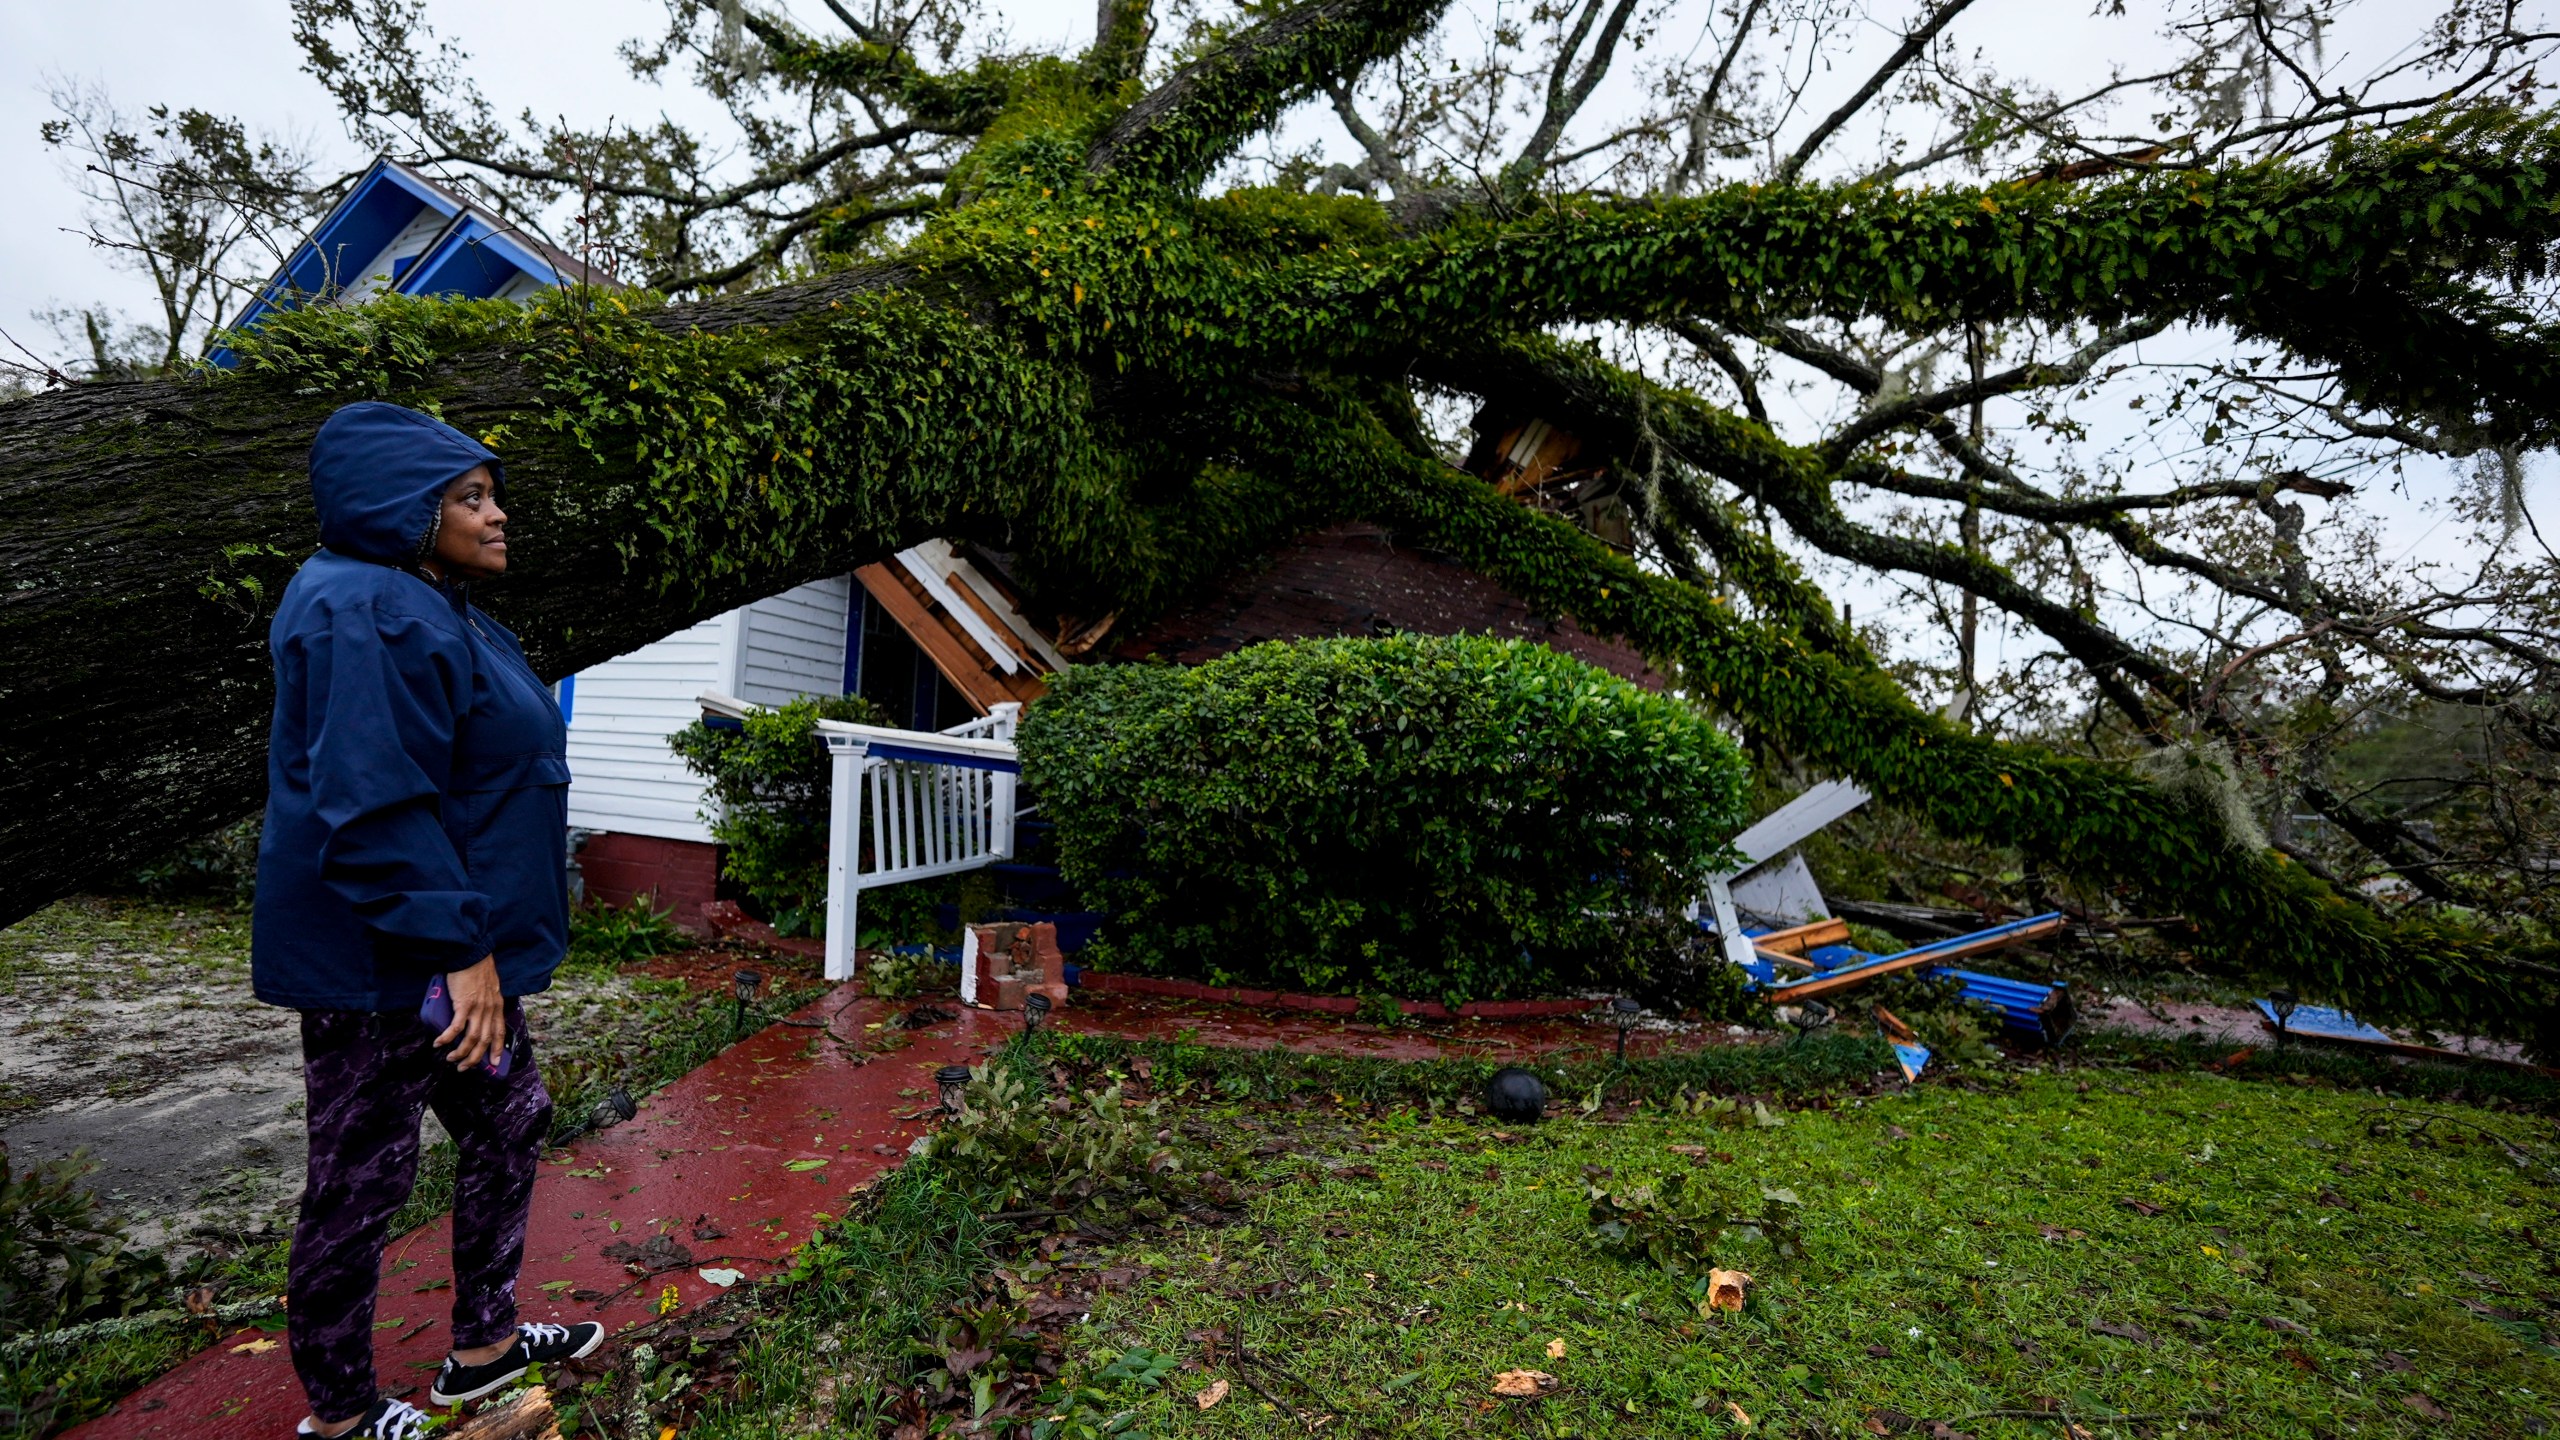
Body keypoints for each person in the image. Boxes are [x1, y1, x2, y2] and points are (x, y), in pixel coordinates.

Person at [252, 402, 603, 1440]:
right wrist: (462, 950)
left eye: (492, 493)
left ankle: (483, 1351)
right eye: (471, 496)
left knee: (509, 1117)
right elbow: (374, 804)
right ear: (404, 508)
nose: (498, 516)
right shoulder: (363, 606)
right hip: (392, 961)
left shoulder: (424, 600)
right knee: (361, 1181)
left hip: (452, 949)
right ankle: (343, 1416)